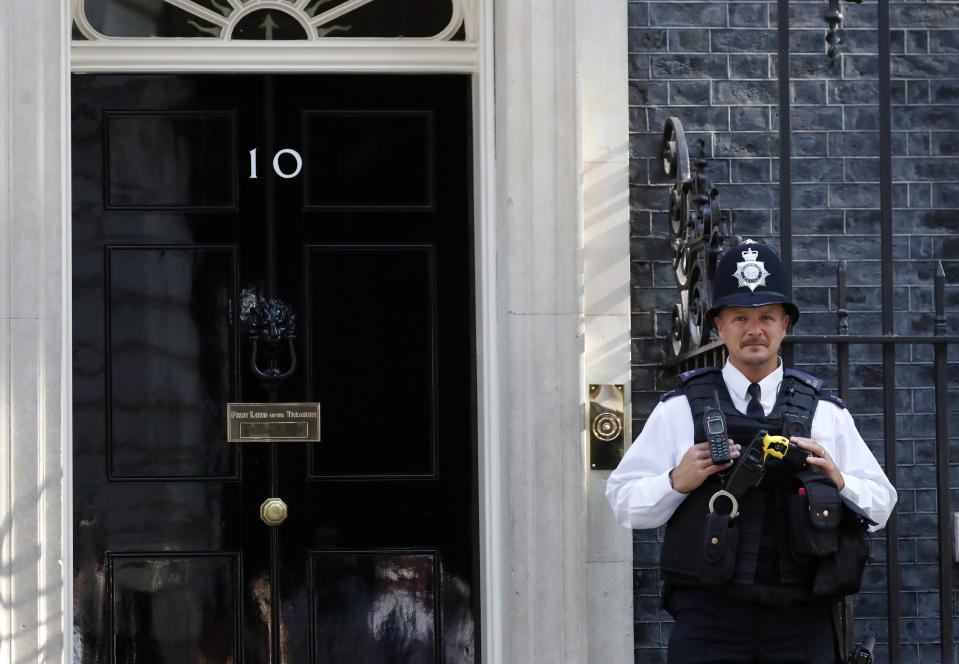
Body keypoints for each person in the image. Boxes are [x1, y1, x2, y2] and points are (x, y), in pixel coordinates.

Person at [606, 240, 897, 663]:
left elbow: (883, 503)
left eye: (766, 317)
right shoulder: (679, 410)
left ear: (784, 325)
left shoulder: (825, 414)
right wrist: (675, 482)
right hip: (709, 619)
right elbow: (623, 502)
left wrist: (841, 480)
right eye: (740, 317)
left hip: (802, 620)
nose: (754, 330)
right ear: (719, 327)